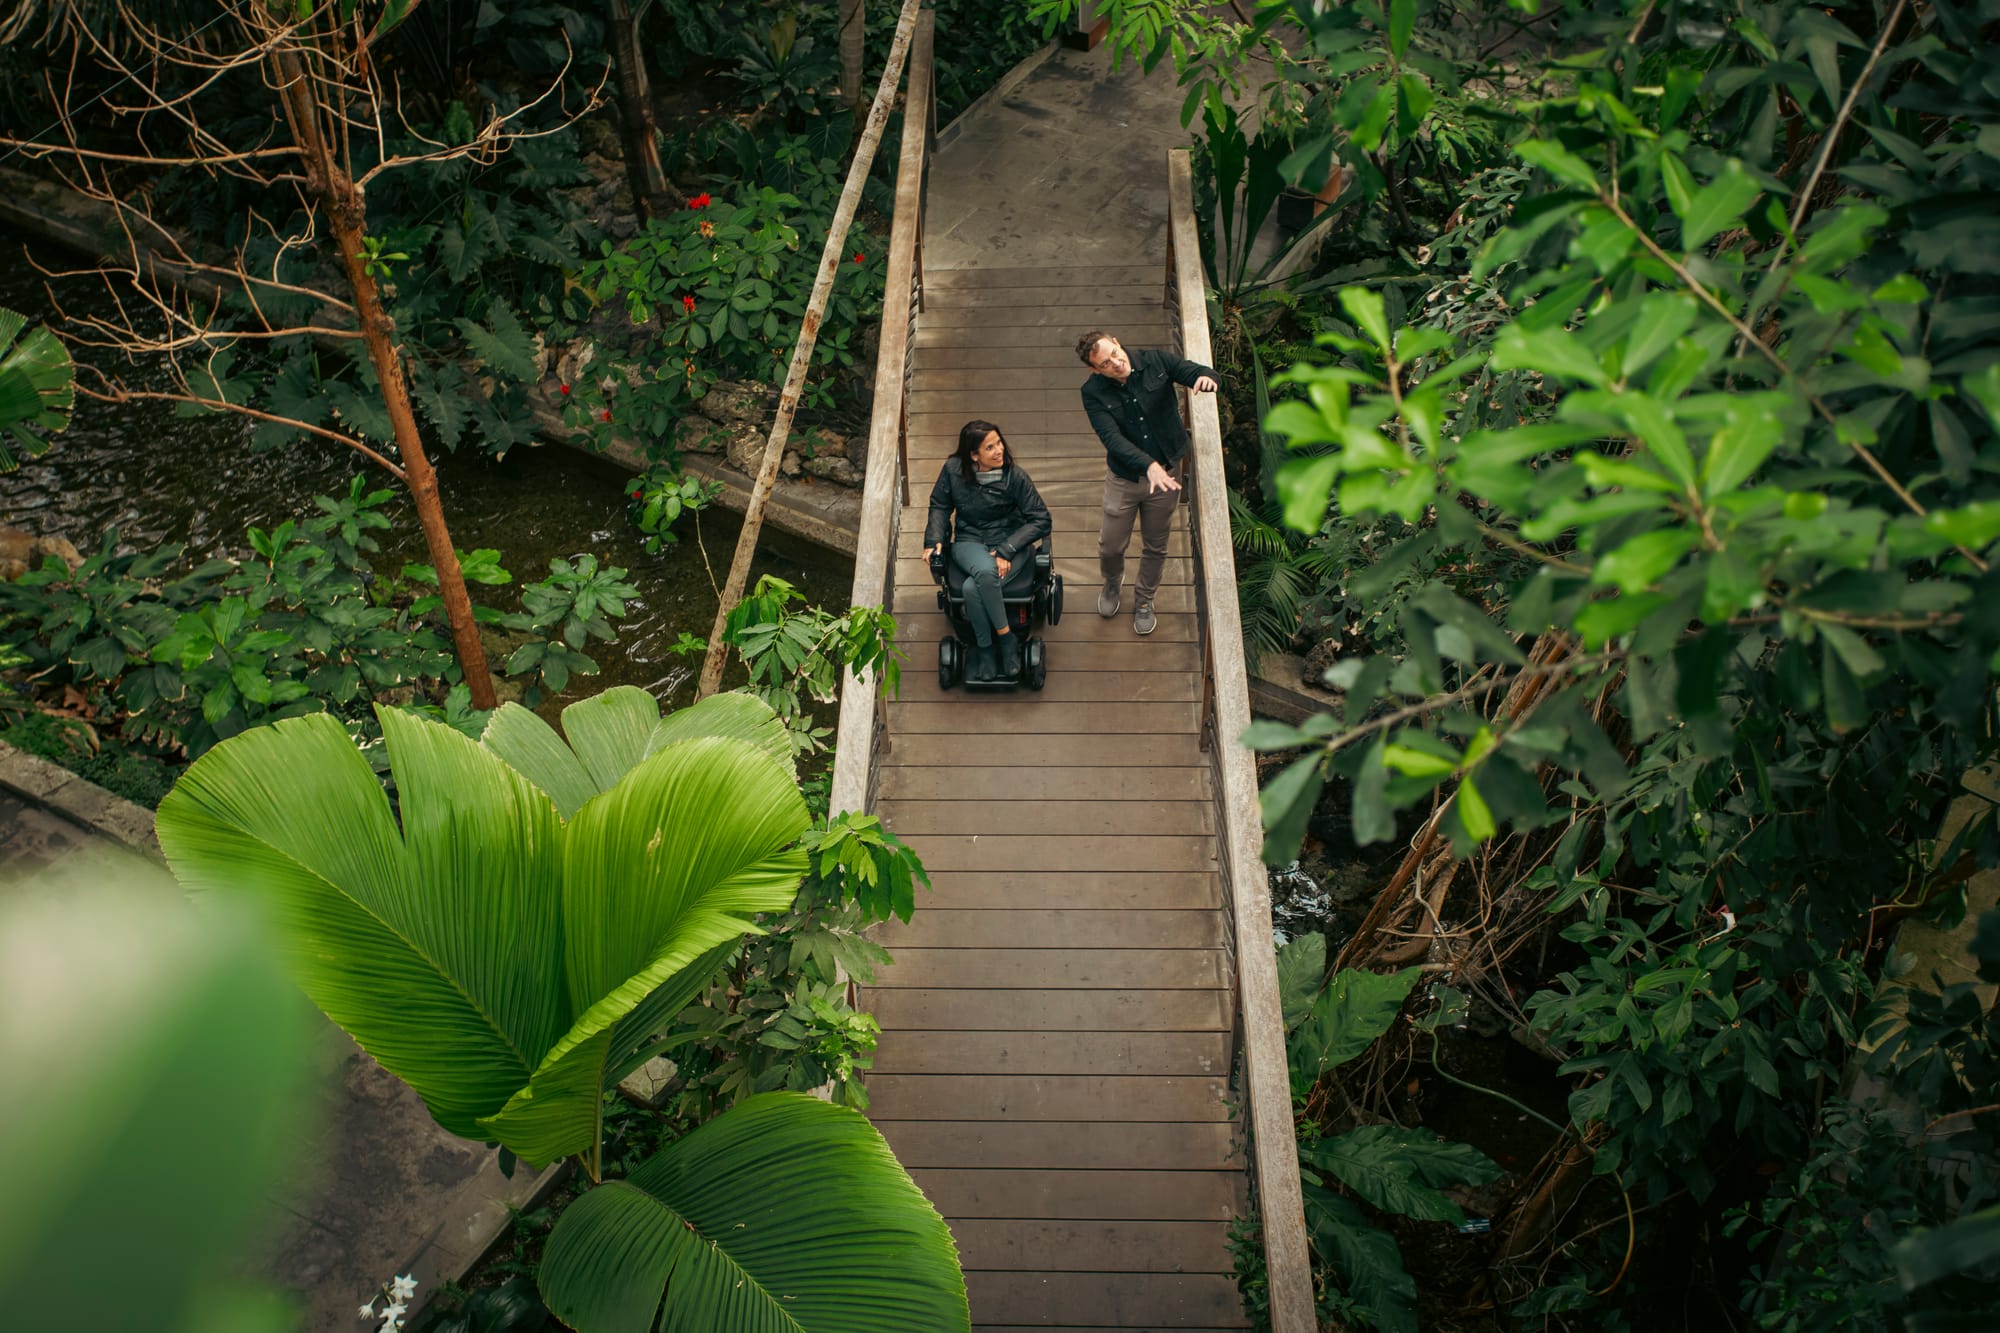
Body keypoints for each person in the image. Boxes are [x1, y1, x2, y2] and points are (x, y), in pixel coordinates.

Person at [1075, 330, 1218, 636]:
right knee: (1110, 546)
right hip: (1125, 478)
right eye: (1105, 364)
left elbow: (1195, 371)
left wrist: (1207, 378)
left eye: (1115, 354)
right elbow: (1111, 439)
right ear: (1094, 370)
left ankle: (1144, 599)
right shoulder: (1092, 392)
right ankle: (1113, 582)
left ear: (1116, 341)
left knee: (1156, 543)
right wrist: (1147, 465)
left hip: (1167, 475)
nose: (1116, 363)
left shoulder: (1155, 360)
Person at [923, 419, 1052, 681]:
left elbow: (1041, 519)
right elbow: (939, 505)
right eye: (990, 447)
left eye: (999, 443)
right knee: (984, 570)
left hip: (1009, 541)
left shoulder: (1015, 476)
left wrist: (1007, 549)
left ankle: (986, 647)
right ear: (973, 455)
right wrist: (934, 538)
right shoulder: (952, 470)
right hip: (970, 541)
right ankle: (1006, 639)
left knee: (972, 587)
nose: (999, 450)